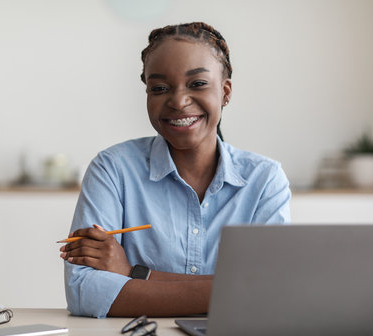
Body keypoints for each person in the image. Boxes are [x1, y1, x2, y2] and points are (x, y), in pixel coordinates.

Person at [59, 22, 291, 318]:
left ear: (226, 92)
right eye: (159, 88)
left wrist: (135, 274)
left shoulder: (264, 180)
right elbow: (85, 292)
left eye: (197, 84)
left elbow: (273, 293)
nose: (179, 102)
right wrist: (235, 292)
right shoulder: (113, 169)